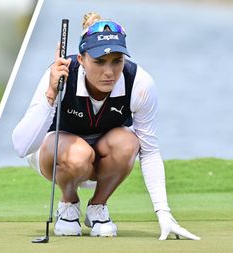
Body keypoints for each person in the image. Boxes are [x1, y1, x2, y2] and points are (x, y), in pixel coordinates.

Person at [12, 12, 200, 240]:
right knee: (79, 154)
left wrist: (163, 211)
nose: (109, 72)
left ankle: (98, 207)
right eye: (99, 62)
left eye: (117, 61)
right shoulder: (61, 74)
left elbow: (149, 152)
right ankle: (68, 204)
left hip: (104, 158)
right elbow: (22, 147)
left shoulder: (139, 82)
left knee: (129, 142)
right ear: (81, 59)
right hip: (56, 157)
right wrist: (51, 94)